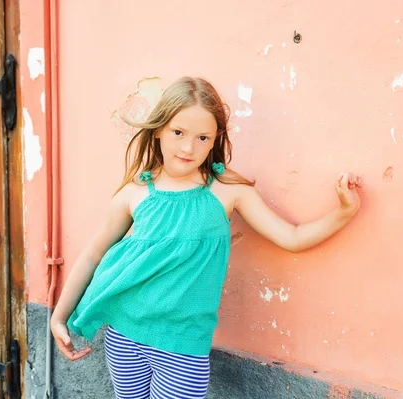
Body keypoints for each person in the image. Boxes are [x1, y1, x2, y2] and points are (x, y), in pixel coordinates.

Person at [50, 76, 362, 399]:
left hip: (183, 349)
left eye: (202, 137)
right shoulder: (136, 194)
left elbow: (292, 237)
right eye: (178, 132)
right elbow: (93, 255)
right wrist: (59, 317)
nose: (188, 147)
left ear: (215, 140)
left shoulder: (228, 193)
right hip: (125, 338)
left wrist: (343, 212)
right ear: (158, 129)